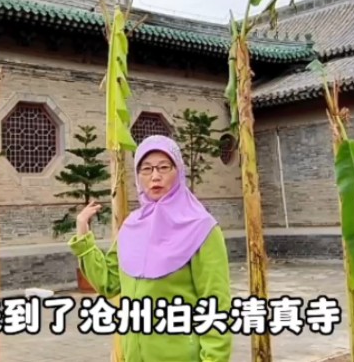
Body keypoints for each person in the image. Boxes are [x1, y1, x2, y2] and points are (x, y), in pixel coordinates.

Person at [68, 134, 233, 361]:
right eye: (146, 169)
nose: (155, 176)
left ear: (179, 172)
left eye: (164, 167)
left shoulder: (202, 228)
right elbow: (109, 283)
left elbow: (216, 307)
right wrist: (83, 233)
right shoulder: (131, 225)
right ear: (138, 177)